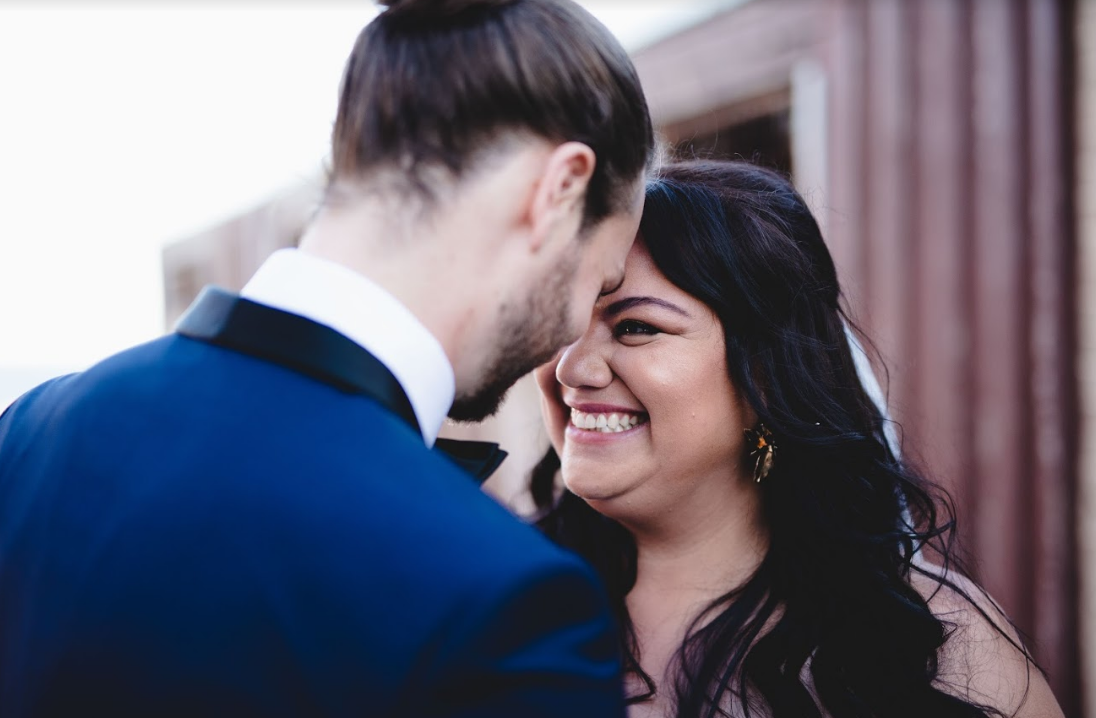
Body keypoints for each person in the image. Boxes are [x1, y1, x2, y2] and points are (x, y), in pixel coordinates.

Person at [0, 1, 653, 715]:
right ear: (558, 190)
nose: (569, 335)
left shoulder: (29, 432)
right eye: (602, 279)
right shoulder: (506, 603)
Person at [532, 160, 1064, 718]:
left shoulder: (934, 641)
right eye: (564, 325)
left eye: (635, 327)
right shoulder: (491, 604)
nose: (571, 368)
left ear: (764, 375)